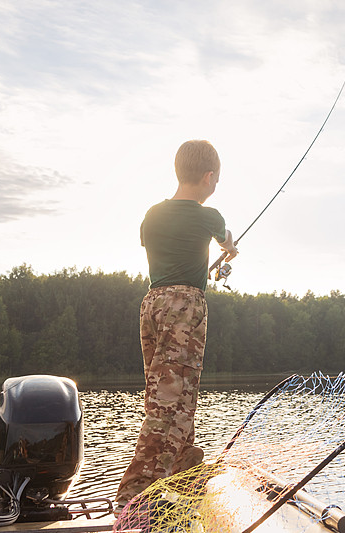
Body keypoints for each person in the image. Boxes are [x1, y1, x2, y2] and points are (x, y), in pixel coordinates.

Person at [114, 140, 238, 512]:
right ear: (208, 176)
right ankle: (132, 498)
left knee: (171, 396)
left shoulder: (152, 214)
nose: (215, 186)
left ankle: (186, 475)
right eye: (216, 180)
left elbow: (162, 246)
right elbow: (226, 241)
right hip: (185, 307)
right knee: (170, 403)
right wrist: (229, 248)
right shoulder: (210, 215)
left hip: (152, 304)